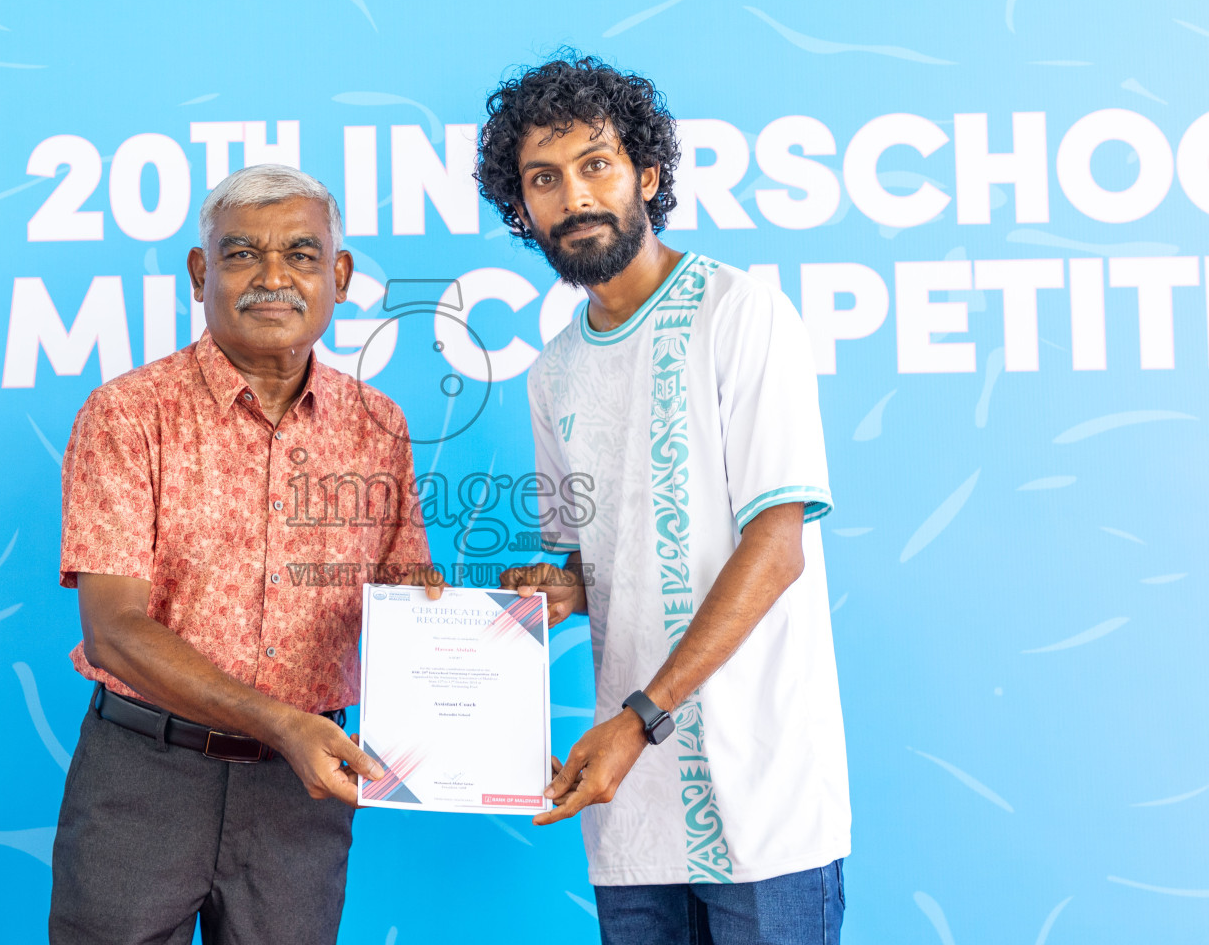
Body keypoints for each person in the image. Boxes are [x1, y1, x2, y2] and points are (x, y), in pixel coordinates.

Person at [481, 56, 849, 945]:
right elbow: (588, 566)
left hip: (762, 796)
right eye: (544, 179)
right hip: (633, 810)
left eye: (596, 164)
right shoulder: (554, 369)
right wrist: (532, 601)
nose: (574, 197)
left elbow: (778, 544)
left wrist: (642, 716)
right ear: (521, 208)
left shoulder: (739, 313)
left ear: (647, 174)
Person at [48, 164, 434, 945]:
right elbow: (113, 630)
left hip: (302, 798)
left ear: (340, 276)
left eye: (300, 254)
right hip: (144, 775)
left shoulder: (378, 426)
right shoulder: (128, 415)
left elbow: (410, 601)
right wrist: (281, 723)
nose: (272, 278)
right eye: (240, 255)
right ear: (200, 273)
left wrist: (509, 626)